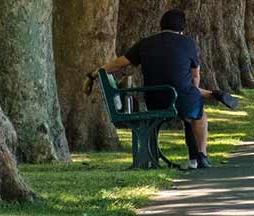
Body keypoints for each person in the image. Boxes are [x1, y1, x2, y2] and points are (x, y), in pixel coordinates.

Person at [97, 9, 238, 170]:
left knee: (189, 101)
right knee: (198, 113)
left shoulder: (145, 43)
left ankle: (210, 97)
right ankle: (201, 155)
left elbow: (118, 63)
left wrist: (95, 73)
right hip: (182, 98)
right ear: (182, 28)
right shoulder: (188, 43)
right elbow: (195, 76)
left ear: (161, 25)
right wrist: (195, 91)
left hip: (154, 98)